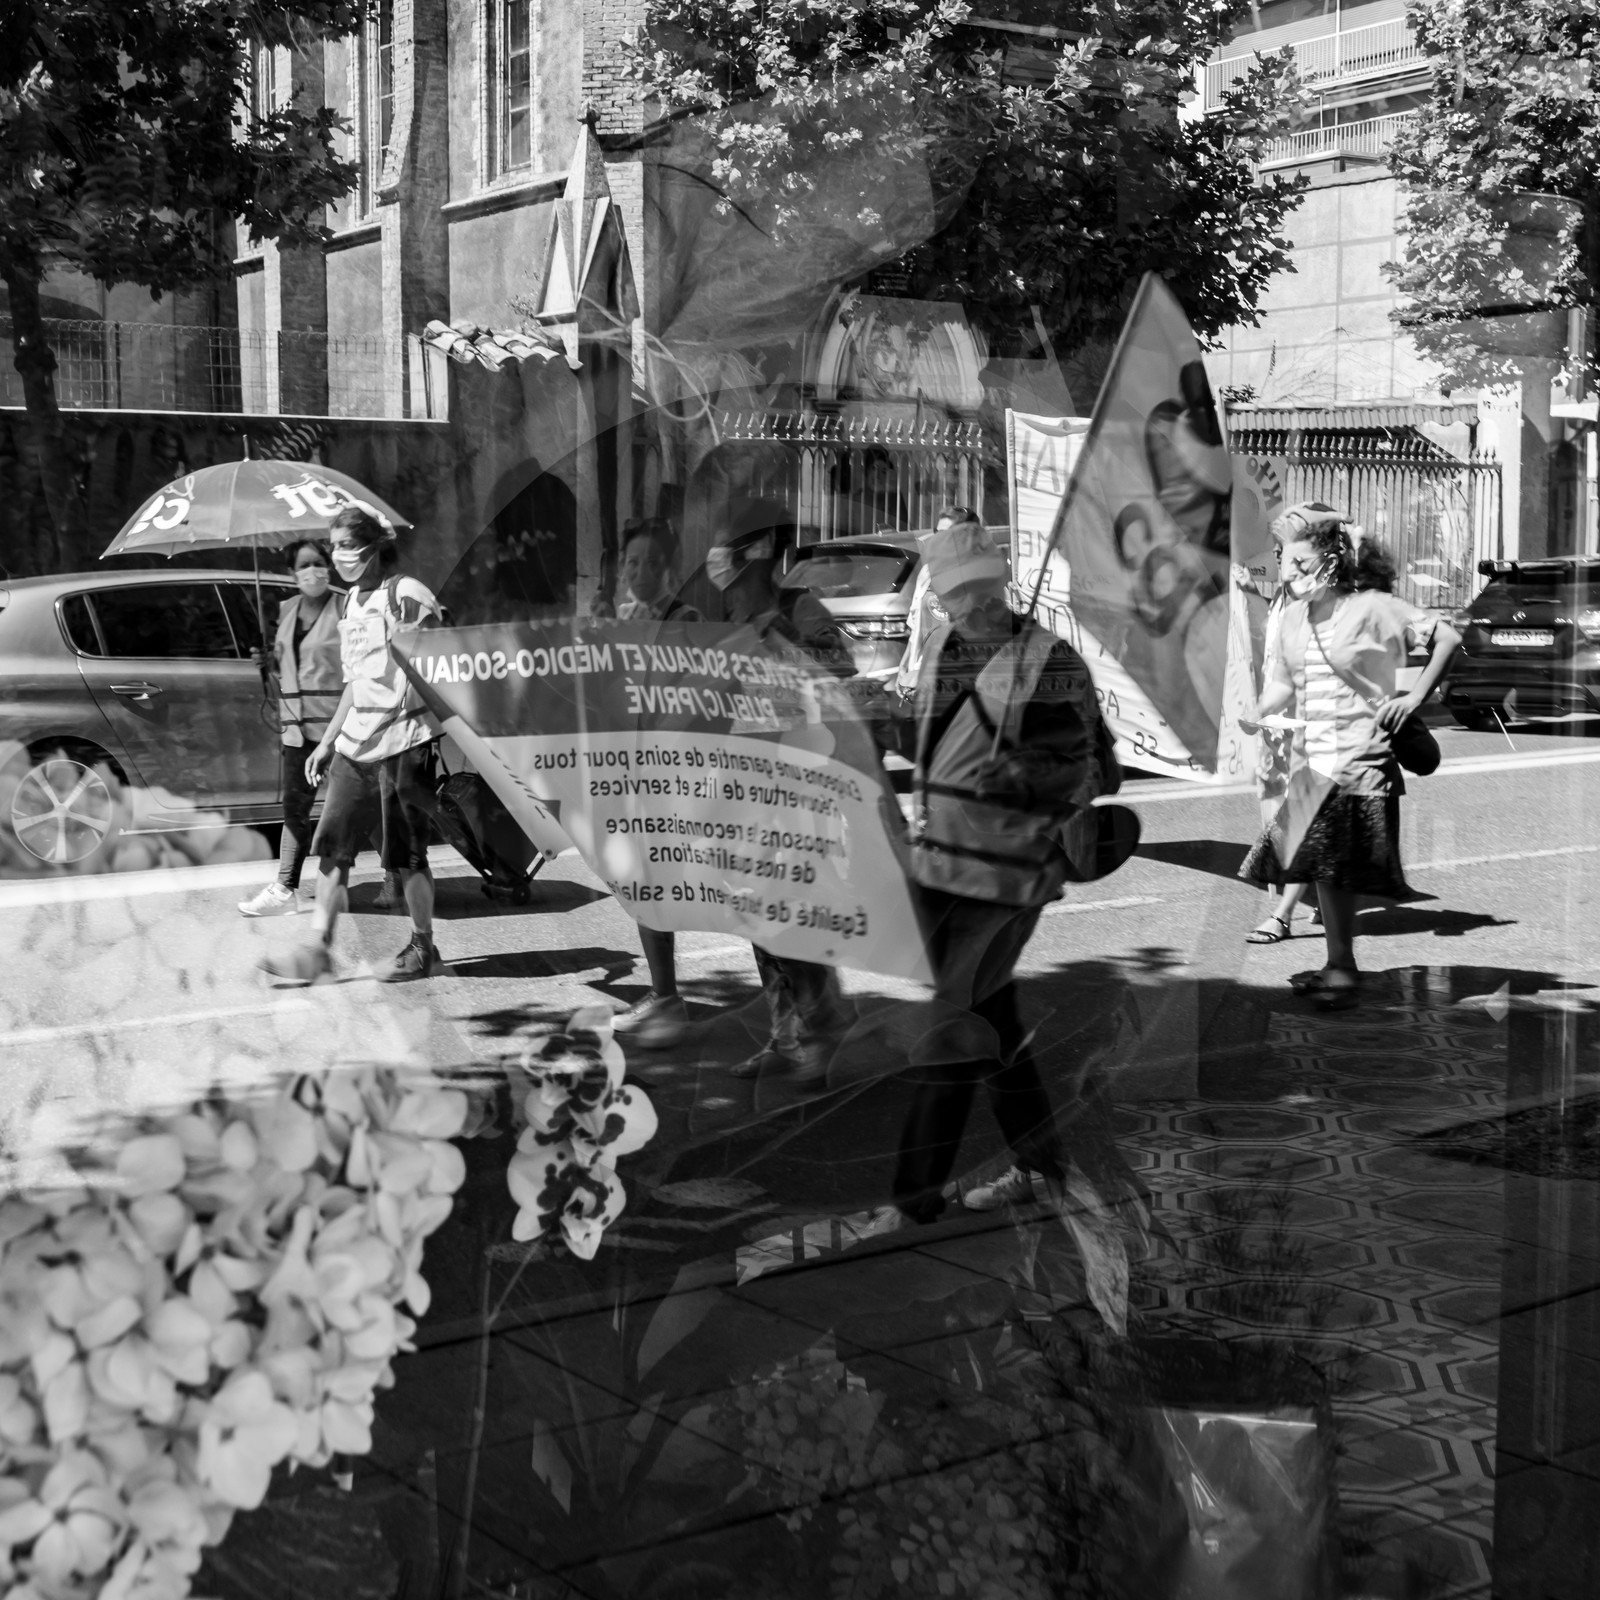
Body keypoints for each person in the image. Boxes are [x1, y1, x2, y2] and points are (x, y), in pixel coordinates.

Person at [881, 510, 1116, 1225]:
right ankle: (1041, 1162)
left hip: (1007, 877)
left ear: (1003, 580)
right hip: (940, 870)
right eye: (959, 594)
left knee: (955, 1025)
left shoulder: (1051, 661)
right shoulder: (945, 649)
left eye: (985, 587)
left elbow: (1099, 770)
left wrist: (1023, 774)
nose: (975, 604)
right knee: (992, 1023)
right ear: (940, 600)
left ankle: (913, 1195)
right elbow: (933, 757)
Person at [1238, 508, 1461, 1009]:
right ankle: (1340, 964)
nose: (1288, 573)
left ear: (1330, 564)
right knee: (1314, 867)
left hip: (1358, 758)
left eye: (1299, 563)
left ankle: (1341, 968)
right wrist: (1258, 711)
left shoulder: (1374, 607)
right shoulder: (1293, 615)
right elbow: (1283, 683)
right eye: (1286, 564)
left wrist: (1414, 697)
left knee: (1333, 868)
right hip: (1310, 759)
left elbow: (1446, 636)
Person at [259, 506, 448, 985]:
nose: (339, 556)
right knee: (333, 850)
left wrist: (399, 711)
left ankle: (425, 947)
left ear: (373, 545)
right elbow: (355, 681)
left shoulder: (404, 593)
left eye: (347, 545)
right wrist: (327, 743)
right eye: (334, 546)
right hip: (355, 747)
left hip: (404, 743)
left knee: (407, 857)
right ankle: (319, 950)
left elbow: (437, 662)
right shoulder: (349, 604)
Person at [709, 499, 857, 1083]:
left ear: (756, 558)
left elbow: (841, 669)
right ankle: (787, 1036)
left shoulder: (800, 609)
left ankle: (828, 1031)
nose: (721, 574)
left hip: (799, 799)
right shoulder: (736, 623)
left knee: (795, 917)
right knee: (761, 921)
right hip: (746, 798)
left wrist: (786, 636)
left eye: (730, 559)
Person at [602, 518, 703, 1050]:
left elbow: (694, 697)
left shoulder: (685, 619)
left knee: (659, 881)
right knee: (643, 881)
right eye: (631, 562)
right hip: (631, 770)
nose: (639, 571)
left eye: (650, 562)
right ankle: (665, 995)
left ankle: (801, 1010)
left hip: (673, 775)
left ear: (669, 568)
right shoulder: (620, 618)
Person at [237, 540, 344, 917]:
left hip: (341, 729)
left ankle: (396, 877)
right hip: (298, 732)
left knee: (356, 809)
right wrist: (267, 661)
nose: (312, 571)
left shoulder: (346, 608)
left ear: (329, 568)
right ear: (291, 573)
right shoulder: (286, 611)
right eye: (304, 565)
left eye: (318, 563)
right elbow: (287, 670)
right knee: (295, 808)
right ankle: (285, 889)